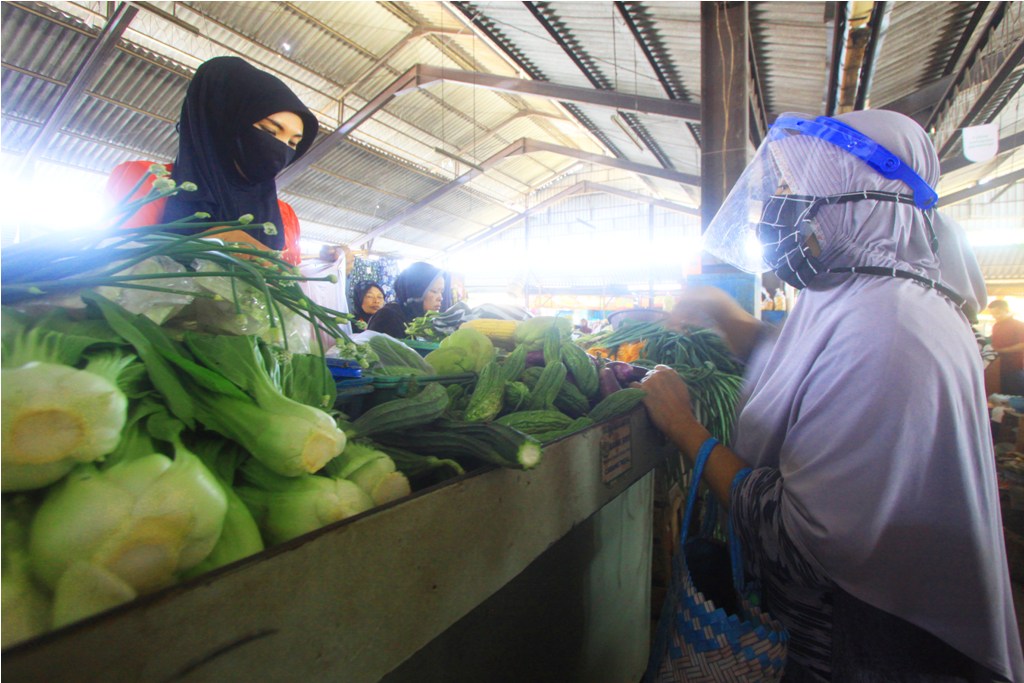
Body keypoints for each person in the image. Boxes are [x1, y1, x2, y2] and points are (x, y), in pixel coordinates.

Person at [639, 110, 1023, 681]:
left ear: (863, 202)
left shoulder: (887, 328)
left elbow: (799, 538)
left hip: (858, 637)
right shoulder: (866, 296)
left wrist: (684, 429)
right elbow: (807, 366)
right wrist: (728, 318)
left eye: (802, 192)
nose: (782, 210)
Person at [105, 56, 319, 265]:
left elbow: (289, 283)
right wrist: (204, 244)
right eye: (269, 131)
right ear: (223, 121)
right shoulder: (150, 183)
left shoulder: (285, 216)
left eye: (292, 143)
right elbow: (114, 271)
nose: (280, 150)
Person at [366, 262, 444, 338]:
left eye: (441, 292)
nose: (440, 298)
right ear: (416, 291)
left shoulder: (425, 321)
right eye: (434, 291)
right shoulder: (387, 318)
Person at [299, 244, 353, 339]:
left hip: (308, 327)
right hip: (324, 329)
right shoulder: (336, 272)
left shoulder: (309, 271)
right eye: (352, 261)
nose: (352, 266)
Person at [988, 299, 1024, 396]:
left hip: (1014, 368)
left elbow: (1022, 345)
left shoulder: (1018, 325)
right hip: (997, 369)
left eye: (998, 313)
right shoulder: (996, 326)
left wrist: (1002, 351)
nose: (995, 316)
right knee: (1001, 397)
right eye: (993, 314)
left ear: (1006, 310)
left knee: (1016, 396)